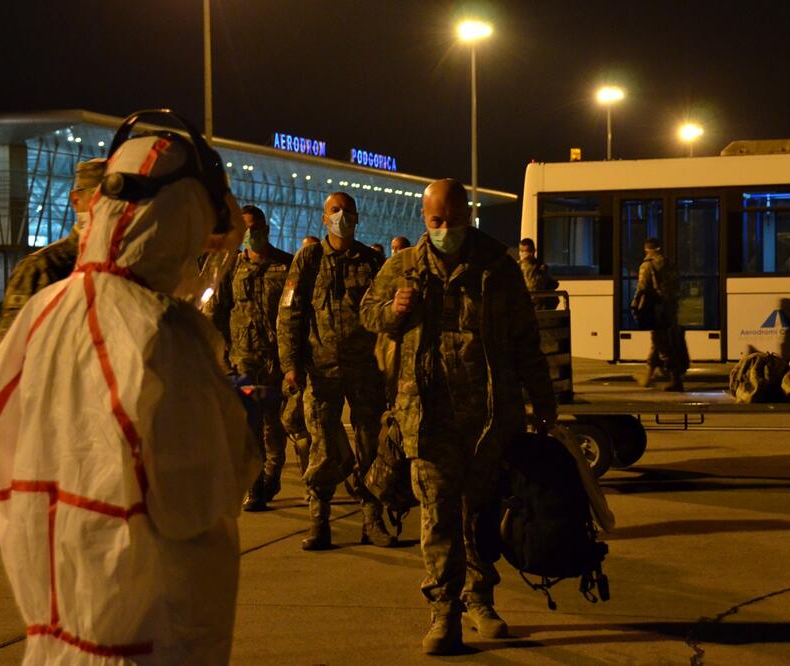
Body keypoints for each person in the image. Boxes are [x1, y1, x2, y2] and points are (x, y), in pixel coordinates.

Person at [0, 130, 259, 663]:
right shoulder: (162, 331)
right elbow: (196, 500)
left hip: (59, 630)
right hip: (149, 629)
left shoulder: (42, 312)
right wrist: (238, 424)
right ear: (176, 221)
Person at [360, 179, 557, 655]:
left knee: (481, 513)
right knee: (438, 515)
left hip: (489, 419)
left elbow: (525, 340)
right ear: (424, 220)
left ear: (469, 215)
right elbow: (368, 312)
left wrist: (543, 402)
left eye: (453, 219)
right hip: (426, 416)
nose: (445, 228)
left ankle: (481, 598)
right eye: (436, 221)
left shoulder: (497, 267)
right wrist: (394, 310)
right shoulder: (402, 267)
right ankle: (443, 611)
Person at [277, 191, 395, 550]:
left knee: (369, 445)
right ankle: (319, 519)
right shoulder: (309, 259)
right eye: (334, 210)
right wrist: (290, 364)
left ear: (357, 218)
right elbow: (290, 312)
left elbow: (385, 315)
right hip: (321, 369)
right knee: (322, 446)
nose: (341, 215)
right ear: (324, 218)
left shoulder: (372, 261)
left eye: (347, 210)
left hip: (364, 371)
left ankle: (371, 518)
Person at [212, 205, 293, 511]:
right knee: (250, 424)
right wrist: (222, 358)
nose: (252, 234)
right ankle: (256, 486)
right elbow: (217, 313)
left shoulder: (285, 265)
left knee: (274, 424)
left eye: (257, 227)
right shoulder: (231, 267)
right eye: (246, 229)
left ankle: (272, 472)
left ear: (266, 229)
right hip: (244, 361)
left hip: (277, 361)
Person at [0, 158, 107, 334]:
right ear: (76, 200)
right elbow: (14, 349)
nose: (111, 209)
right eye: (100, 198)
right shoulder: (41, 267)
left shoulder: (131, 264)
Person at [632, 237, 688, 391]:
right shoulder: (669, 263)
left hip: (657, 310)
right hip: (671, 308)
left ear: (647, 249)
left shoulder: (647, 265)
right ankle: (648, 377)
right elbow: (678, 285)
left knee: (662, 343)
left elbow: (642, 287)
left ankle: (675, 379)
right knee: (659, 340)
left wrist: (635, 304)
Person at [517, 238, 559, 309]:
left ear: (533, 251)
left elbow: (535, 286)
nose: (524, 254)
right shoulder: (516, 266)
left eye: (527, 251)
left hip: (539, 308)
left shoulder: (541, 267)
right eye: (522, 251)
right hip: (521, 308)